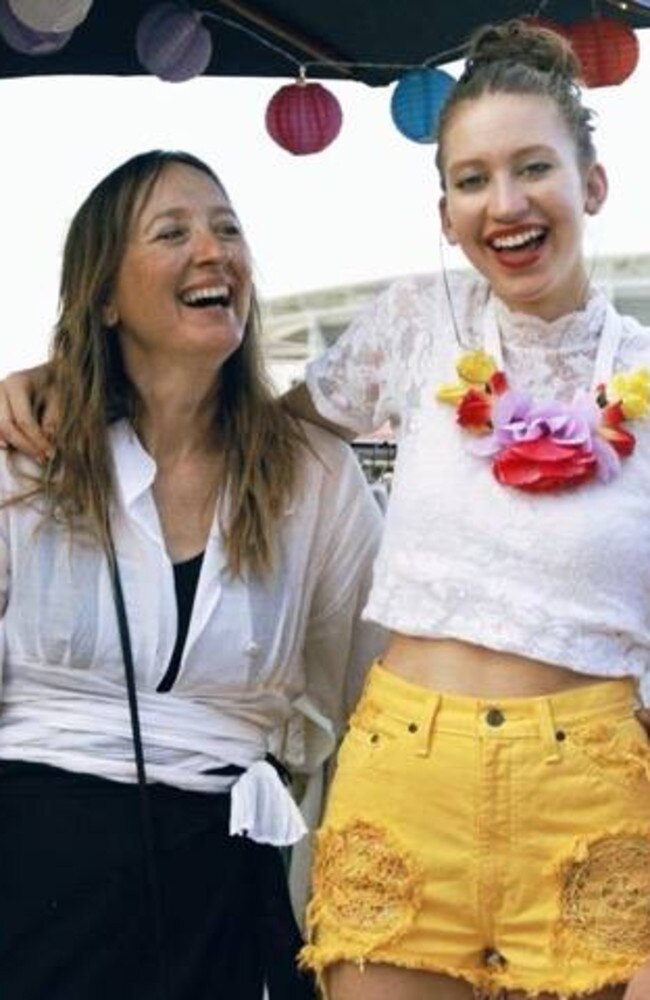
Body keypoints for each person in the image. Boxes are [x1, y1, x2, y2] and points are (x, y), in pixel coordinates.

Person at [4, 23, 650, 1000]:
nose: (504, 203)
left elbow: (275, 467)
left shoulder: (632, 376)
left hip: (578, 780)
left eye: (532, 168)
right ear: (444, 213)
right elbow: (263, 428)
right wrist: (76, 384)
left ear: (591, 187)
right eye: (472, 178)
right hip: (387, 780)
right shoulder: (409, 332)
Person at [0, 149, 385, 1000]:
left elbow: (372, 695)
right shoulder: (25, 458)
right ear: (103, 294)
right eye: (171, 232)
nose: (213, 252)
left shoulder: (313, 475)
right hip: (31, 866)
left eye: (227, 229)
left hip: (226, 876)